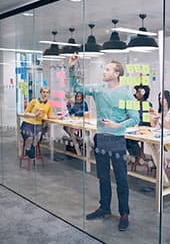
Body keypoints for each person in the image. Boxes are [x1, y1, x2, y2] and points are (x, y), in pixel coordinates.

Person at [69, 54, 139, 231]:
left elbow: (135, 118)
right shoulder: (98, 88)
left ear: (117, 74)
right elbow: (77, 87)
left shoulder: (125, 93)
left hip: (117, 141)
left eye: (107, 69)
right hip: (100, 139)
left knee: (122, 179)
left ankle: (124, 213)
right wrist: (72, 68)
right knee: (103, 177)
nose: (104, 71)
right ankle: (105, 208)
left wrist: (118, 124)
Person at [20, 87, 53, 158]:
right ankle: (28, 149)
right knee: (29, 137)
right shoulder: (34, 101)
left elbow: (50, 116)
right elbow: (25, 113)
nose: (45, 94)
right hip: (28, 122)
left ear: (49, 94)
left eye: (47, 92)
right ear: (41, 93)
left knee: (38, 136)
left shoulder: (49, 104)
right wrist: (34, 115)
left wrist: (59, 117)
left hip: (38, 124)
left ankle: (32, 148)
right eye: (44, 92)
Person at [126, 85, 153, 158]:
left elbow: (145, 119)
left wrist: (137, 124)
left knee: (131, 140)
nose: (136, 94)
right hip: (134, 127)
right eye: (136, 92)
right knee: (125, 138)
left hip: (143, 127)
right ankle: (134, 156)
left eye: (138, 92)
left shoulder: (147, 104)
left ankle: (138, 157)